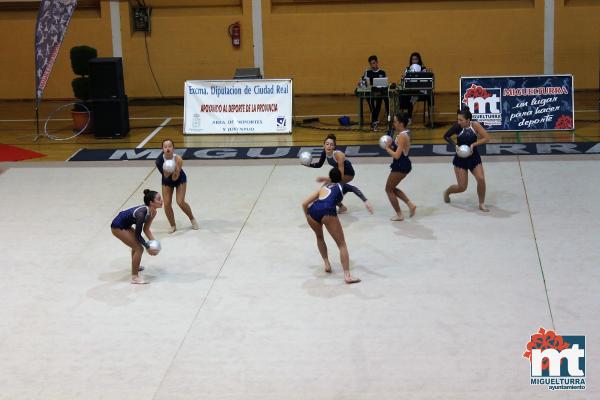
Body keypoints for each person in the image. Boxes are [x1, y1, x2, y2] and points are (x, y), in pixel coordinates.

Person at [302, 168, 373, 284]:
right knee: (342, 244)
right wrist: (366, 201)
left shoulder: (324, 187)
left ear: (330, 178)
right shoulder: (342, 186)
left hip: (312, 211)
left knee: (319, 237)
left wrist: (308, 217)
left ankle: (326, 264)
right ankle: (347, 276)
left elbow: (305, 203)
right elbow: (355, 189)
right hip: (328, 211)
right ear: (341, 177)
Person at [443, 107, 491, 212]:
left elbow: (486, 138)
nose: (458, 122)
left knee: (481, 179)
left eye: (461, 120)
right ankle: (447, 192)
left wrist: (474, 144)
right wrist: (455, 145)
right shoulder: (457, 127)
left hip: (473, 157)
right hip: (461, 159)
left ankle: (481, 203)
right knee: (462, 187)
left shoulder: (475, 126)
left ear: (468, 120)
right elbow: (446, 136)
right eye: (458, 119)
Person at [111, 189, 163, 284]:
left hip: (126, 225)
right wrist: (148, 247)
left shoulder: (153, 212)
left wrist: (154, 244)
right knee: (139, 248)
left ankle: (136, 266)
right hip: (117, 226)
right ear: (151, 202)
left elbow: (146, 229)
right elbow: (138, 234)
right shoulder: (141, 213)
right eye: (159, 199)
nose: (161, 201)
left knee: (136, 245)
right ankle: (134, 277)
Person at [156, 139, 199, 233]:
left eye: (170, 146)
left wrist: (175, 168)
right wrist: (167, 171)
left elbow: (175, 178)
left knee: (180, 202)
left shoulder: (178, 159)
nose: (168, 148)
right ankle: (172, 225)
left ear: (173, 148)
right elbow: (166, 177)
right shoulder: (159, 161)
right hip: (167, 180)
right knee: (167, 203)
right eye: (165, 147)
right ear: (162, 149)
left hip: (179, 179)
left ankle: (192, 219)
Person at [306, 134, 355, 213]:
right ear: (324, 145)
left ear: (334, 147)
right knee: (325, 188)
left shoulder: (338, 155)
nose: (329, 146)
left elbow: (340, 176)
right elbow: (319, 165)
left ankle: (337, 206)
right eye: (327, 144)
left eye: (331, 145)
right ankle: (341, 207)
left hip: (348, 174)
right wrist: (308, 165)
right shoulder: (324, 153)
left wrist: (327, 179)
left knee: (330, 190)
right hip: (338, 174)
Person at [384, 113, 417, 221]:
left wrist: (387, 148)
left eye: (395, 121)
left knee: (388, 189)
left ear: (401, 123)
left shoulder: (402, 136)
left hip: (401, 164)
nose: (393, 123)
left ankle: (399, 214)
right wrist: (392, 144)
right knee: (391, 188)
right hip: (403, 163)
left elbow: (397, 155)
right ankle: (410, 205)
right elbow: (399, 149)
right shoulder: (404, 133)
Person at [400, 52, 430, 121]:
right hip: (410, 90)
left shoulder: (423, 69)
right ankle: (404, 117)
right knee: (403, 96)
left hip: (420, 91)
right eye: (413, 59)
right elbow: (404, 81)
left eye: (416, 59)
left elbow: (425, 82)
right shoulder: (407, 69)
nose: (414, 61)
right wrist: (404, 77)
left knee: (411, 98)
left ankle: (408, 118)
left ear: (419, 60)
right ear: (411, 61)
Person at [362, 55, 389, 130]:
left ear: (377, 62)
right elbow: (364, 83)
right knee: (372, 101)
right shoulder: (367, 72)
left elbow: (385, 84)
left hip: (380, 92)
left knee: (384, 99)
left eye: (374, 63)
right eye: (371, 64)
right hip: (371, 92)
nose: (372, 65)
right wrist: (363, 81)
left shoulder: (382, 72)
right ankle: (374, 121)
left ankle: (386, 119)